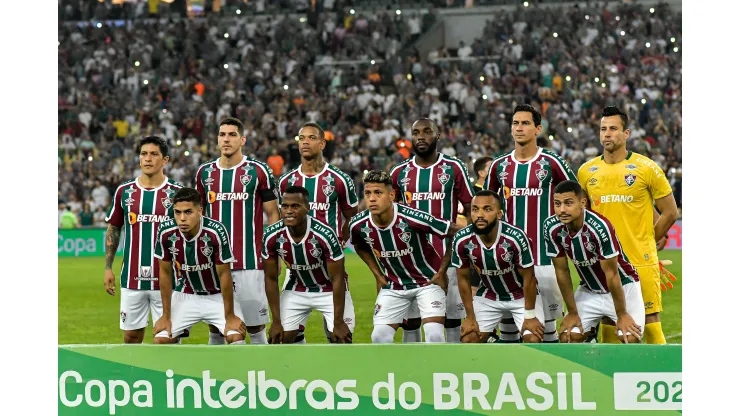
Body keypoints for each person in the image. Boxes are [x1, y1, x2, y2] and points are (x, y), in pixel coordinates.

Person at [577, 106, 678, 344]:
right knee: (610, 327)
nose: (607, 134)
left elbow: (670, 212)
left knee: (651, 325)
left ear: (626, 134)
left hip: (640, 261)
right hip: (605, 264)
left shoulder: (646, 168)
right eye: (603, 129)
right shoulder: (586, 171)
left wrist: (649, 239)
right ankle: (609, 380)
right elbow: (585, 216)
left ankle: (660, 378)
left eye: (613, 129)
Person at [482, 104, 577, 343]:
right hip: (508, 258)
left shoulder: (552, 162)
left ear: (538, 129)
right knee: (510, 326)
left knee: (546, 328)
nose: (519, 128)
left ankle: (551, 375)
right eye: (515, 123)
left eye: (525, 123)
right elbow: (485, 208)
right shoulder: (499, 166)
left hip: (545, 256)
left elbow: (577, 199)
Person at [194, 117, 281, 345]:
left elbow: (273, 214)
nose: (226, 139)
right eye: (222, 134)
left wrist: (273, 254)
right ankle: (218, 377)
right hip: (214, 263)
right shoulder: (204, 173)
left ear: (242, 139)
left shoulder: (259, 171)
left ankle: (262, 376)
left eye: (232, 135)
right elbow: (198, 216)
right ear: (217, 139)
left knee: (255, 326)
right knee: (217, 325)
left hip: (250, 262)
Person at [389, 118, 475, 343]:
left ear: (438, 136)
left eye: (427, 132)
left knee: (452, 318)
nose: (420, 136)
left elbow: (469, 206)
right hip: (410, 260)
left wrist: (470, 243)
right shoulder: (399, 173)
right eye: (416, 132)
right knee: (412, 320)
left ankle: (453, 369)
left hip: (448, 255)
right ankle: (415, 372)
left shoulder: (454, 167)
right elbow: (390, 213)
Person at [349, 170, 461, 344]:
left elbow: (455, 232)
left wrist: (441, 271)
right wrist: (378, 275)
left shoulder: (412, 217)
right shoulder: (358, 224)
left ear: (391, 195)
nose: (372, 198)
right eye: (368, 193)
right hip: (394, 286)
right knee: (379, 337)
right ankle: (397, 371)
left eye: (378, 193)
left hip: (428, 282)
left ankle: (435, 370)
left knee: (434, 335)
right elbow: (359, 246)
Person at [277, 122, 358, 344]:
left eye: (311, 138)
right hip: (297, 270)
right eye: (301, 137)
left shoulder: (339, 179)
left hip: (330, 268)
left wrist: (341, 239)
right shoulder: (287, 181)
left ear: (322, 143)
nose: (305, 141)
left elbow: (352, 215)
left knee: (339, 336)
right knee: (285, 336)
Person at [104, 136, 183, 343]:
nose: (148, 159)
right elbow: (114, 228)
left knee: (167, 339)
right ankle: (132, 377)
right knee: (131, 337)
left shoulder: (177, 193)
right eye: (143, 154)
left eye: (154, 154)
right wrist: (108, 267)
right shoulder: (124, 191)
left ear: (165, 160)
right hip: (131, 277)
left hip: (168, 280)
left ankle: (169, 375)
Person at [543, 181, 644, 344]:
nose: (562, 209)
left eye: (568, 203)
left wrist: (622, 314)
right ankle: (590, 342)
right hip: (589, 289)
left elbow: (612, 274)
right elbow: (561, 271)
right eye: (557, 204)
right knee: (569, 336)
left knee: (630, 337)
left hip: (624, 286)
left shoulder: (599, 227)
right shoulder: (551, 227)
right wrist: (572, 312)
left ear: (582, 203)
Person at [152, 188, 246, 345]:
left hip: (217, 295)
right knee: (161, 339)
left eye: (188, 212)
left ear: (199, 211)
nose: (182, 218)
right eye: (177, 212)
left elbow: (224, 275)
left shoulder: (215, 231)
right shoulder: (166, 231)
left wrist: (230, 316)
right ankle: (176, 370)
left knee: (235, 337)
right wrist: (165, 316)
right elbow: (165, 273)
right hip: (186, 293)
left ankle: (229, 369)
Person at [262, 186, 353, 344]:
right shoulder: (271, 235)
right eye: (285, 206)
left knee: (341, 339)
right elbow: (270, 279)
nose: (289, 211)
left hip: (329, 289)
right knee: (280, 338)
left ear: (307, 208)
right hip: (297, 287)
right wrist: (276, 321)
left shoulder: (324, 234)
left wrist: (338, 322)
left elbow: (337, 278)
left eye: (295, 206)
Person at [453, 191, 544, 343]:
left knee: (533, 338)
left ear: (499, 214)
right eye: (475, 209)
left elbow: (529, 278)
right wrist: (470, 317)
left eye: (487, 209)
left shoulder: (515, 237)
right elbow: (463, 278)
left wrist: (530, 315)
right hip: (489, 294)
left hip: (520, 294)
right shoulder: (462, 239)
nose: (480, 214)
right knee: (469, 338)